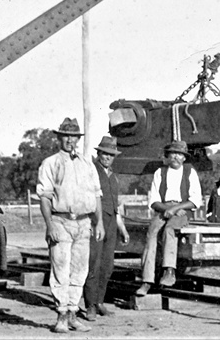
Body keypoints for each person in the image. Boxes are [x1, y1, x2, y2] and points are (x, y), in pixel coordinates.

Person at [36, 118, 104, 334]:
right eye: (66, 136)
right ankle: (61, 316)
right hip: (60, 221)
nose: (70, 141)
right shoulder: (51, 163)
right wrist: (49, 225)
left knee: (80, 271)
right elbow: (45, 197)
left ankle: (73, 313)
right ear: (59, 138)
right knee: (60, 270)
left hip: (83, 222)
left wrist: (99, 221)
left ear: (78, 139)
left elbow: (96, 194)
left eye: (74, 137)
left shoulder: (87, 164)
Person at [135, 140, 202, 297]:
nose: (176, 157)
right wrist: (168, 209)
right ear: (168, 156)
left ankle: (169, 270)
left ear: (184, 158)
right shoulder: (160, 172)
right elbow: (153, 200)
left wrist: (176, 208)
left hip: (182, 210)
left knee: (170, 229)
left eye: (179, 154)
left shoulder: (189, 171)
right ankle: (147, 280)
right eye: (173, 154)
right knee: (151, 234)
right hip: (164, 209)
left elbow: (195, 200)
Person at [83, 136, 129, 322]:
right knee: (93, 264)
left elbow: (116, 208)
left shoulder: (114, 177)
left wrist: (123, 230)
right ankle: (90, 305)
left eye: (111, 155)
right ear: (98, 153)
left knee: (107, 265)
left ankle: (100, 301)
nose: (107, 157)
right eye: (104, 154)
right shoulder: (92, 172)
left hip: (111, 225)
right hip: (95, 223)